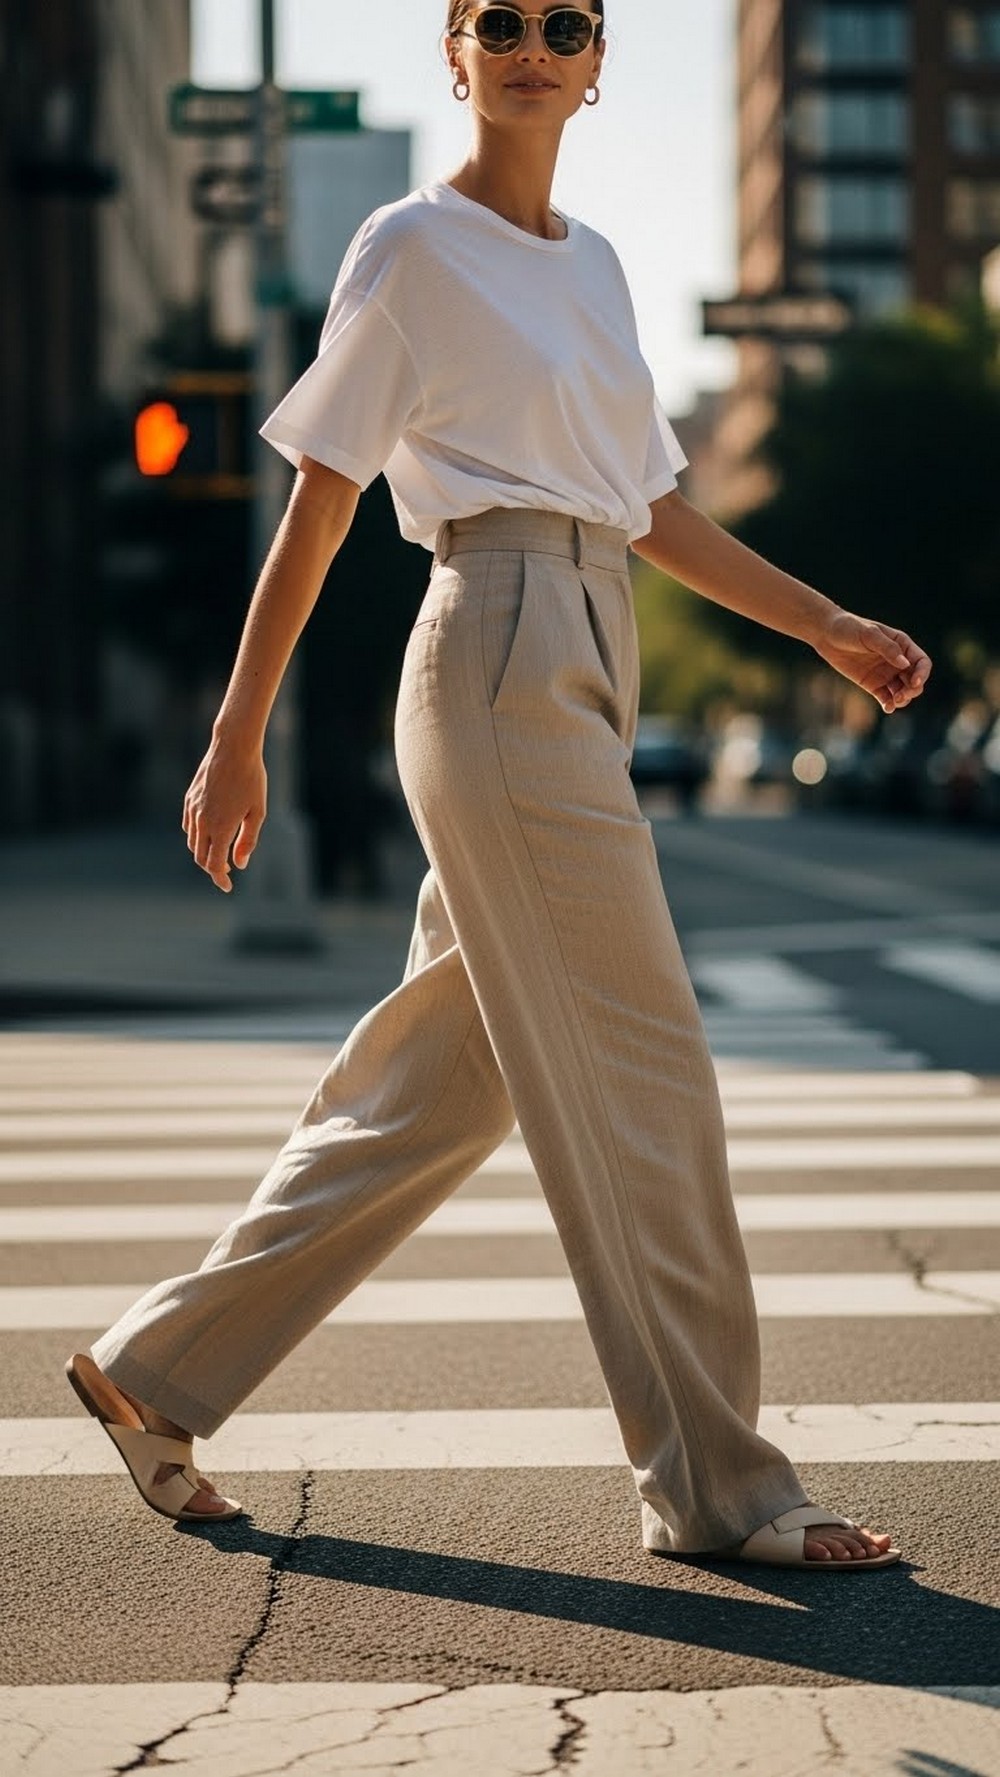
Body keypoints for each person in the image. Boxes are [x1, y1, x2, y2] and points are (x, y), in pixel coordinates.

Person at [67, 2, 930, 1569]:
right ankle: (723, 1487)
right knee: (651, 1065)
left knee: (436, 1087)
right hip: (497, 645)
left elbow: (655, 504)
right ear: (453, 55)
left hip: (592, 645)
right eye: (500, 20)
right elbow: (321, 505)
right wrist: (236, 730)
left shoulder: (592, 266)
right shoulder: (410, 247)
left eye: (570, 22)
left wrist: (828, 621)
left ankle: (155, 1376)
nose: (536, 44)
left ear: (601, 66)